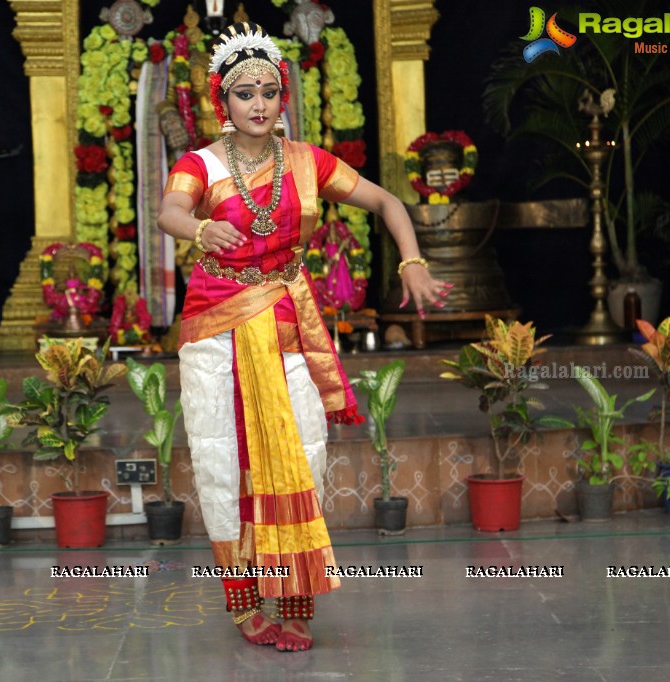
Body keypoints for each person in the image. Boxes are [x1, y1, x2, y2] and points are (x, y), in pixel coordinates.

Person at [157, 22, 451, 652]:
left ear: (282, 95)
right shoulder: (200, 164)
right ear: (222, 101)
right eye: (244, 93)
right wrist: (198, 231)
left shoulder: (308, 162)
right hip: (217, 325)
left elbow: (388, 204)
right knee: (222, 460)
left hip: (288, 320)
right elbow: (170, 212)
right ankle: (242, 601)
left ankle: (295, 599)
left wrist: (413, 262)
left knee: (302, 451)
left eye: (269, 90)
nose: (258, 103)